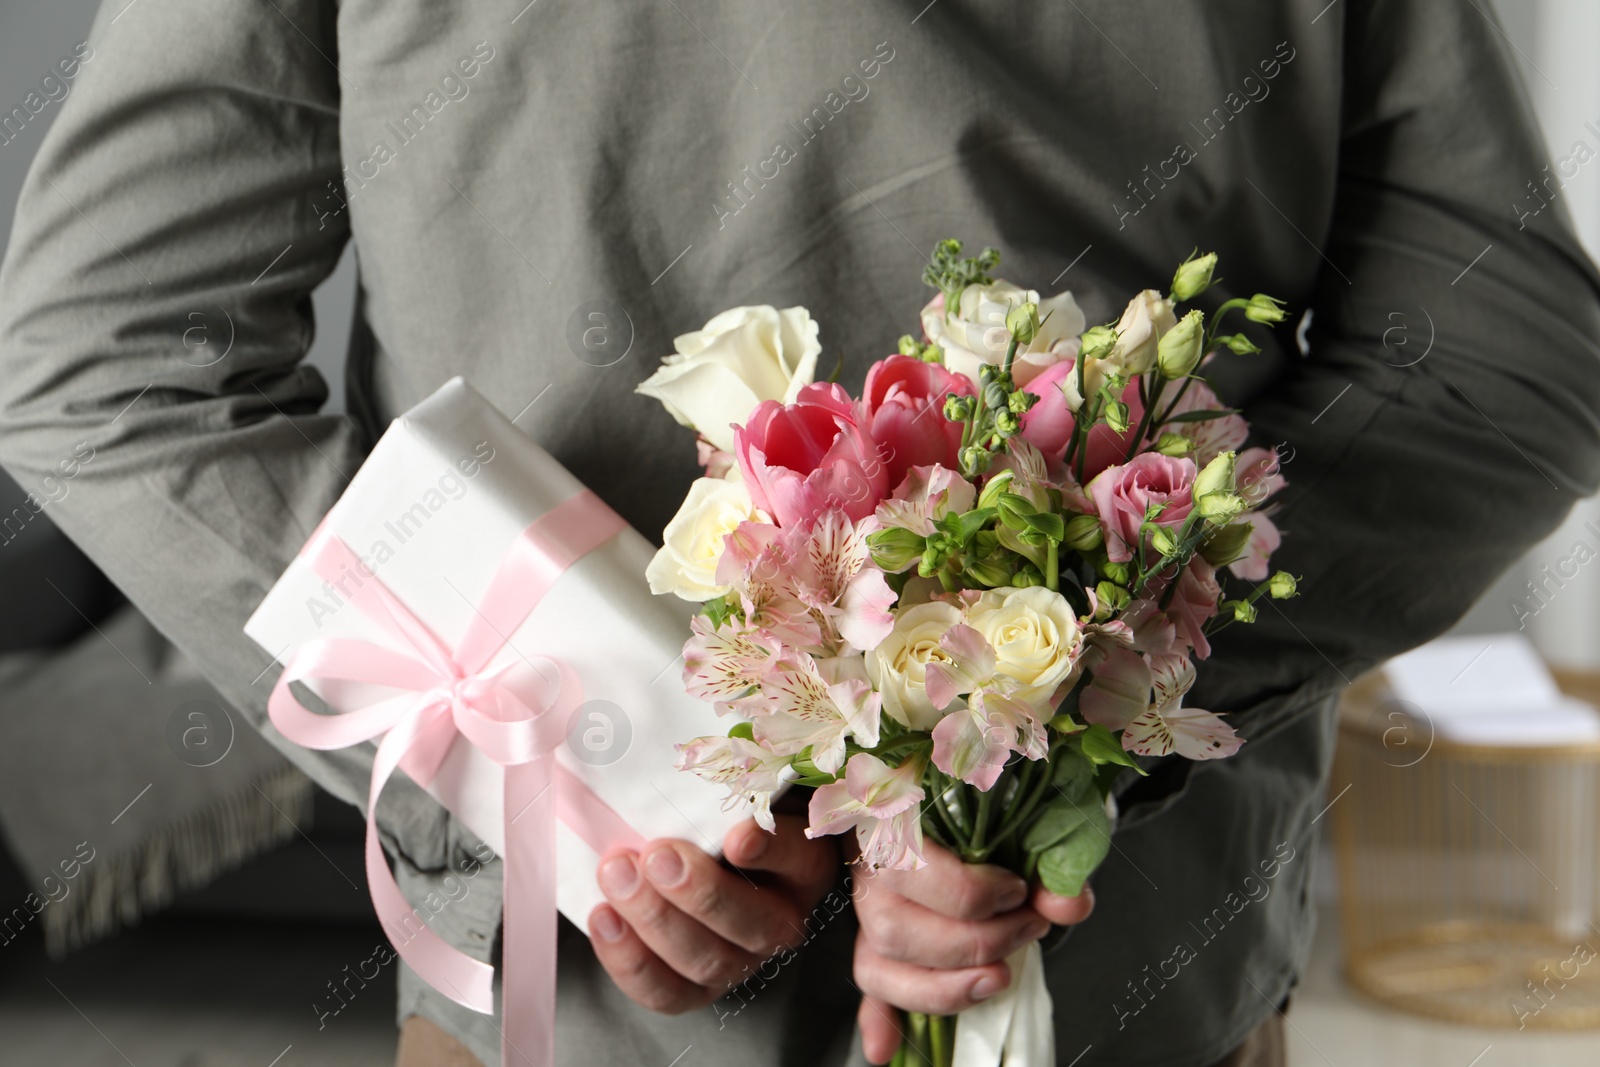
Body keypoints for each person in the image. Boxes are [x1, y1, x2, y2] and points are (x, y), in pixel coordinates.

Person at [2, 1, 1598, 1065]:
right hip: (1122, 974)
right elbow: (1505, 371)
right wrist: (1039, 738)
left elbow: (106, 365)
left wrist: (617, 778)